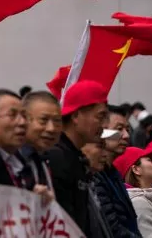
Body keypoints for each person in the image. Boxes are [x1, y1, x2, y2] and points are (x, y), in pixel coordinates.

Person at [47, 80, 111, 237]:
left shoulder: (76, 158)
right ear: (76, 115)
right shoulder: (58, 158)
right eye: (100, 116)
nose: (103, 125)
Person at [93, 104, 142, 237]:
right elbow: (111, 228)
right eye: (119, 129)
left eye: (127, 129)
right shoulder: (94, 176)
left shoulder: (113, 173)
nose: (126, 136)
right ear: (101, 131)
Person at [21, 91, 61, 188]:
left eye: (57, 121)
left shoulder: (49, 159)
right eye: (43, 120)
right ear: (24, 119)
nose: (51, 128)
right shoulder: (13, 160)